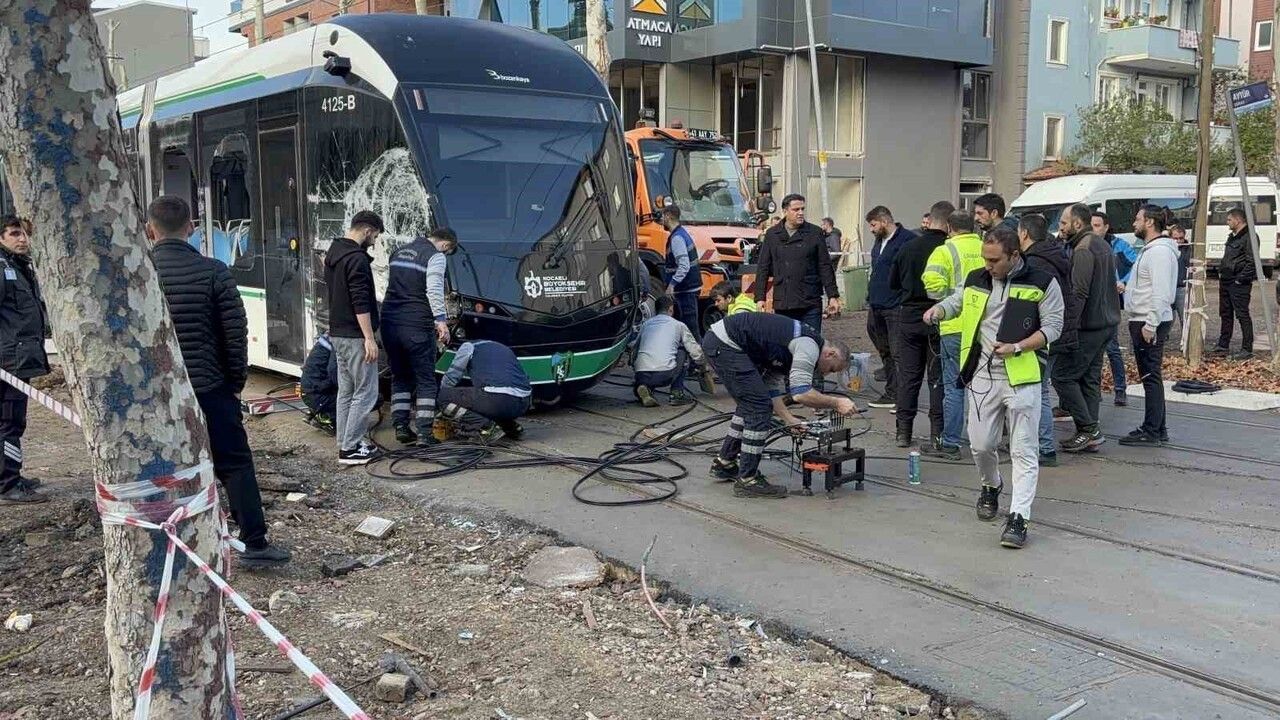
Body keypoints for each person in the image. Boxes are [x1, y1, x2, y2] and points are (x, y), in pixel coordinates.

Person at [146, 197, 289, 566]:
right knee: (235, 463)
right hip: (211, 388)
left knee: (166, 469)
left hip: (158, 395)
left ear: (149, 230)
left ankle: (171, 547)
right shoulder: (214, 271)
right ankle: (255, 543)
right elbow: (235, 333)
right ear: (191, 227)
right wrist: (234, 383)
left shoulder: (139, 275)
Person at [924, 225, 1064, 549]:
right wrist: (938, 310)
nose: (988, 265)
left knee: (1023, 450)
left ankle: (1019, 517)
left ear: (1015, 255)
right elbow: (958, 301)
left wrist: (1019, 347)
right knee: (981, 445)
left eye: (994, 260)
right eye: (986, 259)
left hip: (1023, 376)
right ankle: (991, 485)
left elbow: (1054, 327)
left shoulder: (1042, 282)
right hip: (982, 375)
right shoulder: (977, 278)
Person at [703, 312, 854, 498]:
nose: (825, 374)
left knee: (751, 403)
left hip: (723, 341)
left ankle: (725, 463)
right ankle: (747, 480)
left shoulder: (795, 348)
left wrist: (789, 419)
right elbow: (801, 393)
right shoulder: (809, 347)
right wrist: (837, 402)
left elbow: (770, 387)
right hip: (726, 344)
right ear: (830, 353)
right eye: (831, 368)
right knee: (758, 408)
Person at [1052, 204, 1119, 454]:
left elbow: (1078, 292)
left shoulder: (1083, 250)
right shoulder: (1101, 244)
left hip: (1088, 326)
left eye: (1063, 223)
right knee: (1089, 378)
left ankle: (1089, 428)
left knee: (1062, 376)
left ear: (1077, 224)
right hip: (1106, 323)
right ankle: (1089, 431)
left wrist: (1067, 327)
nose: (1060, 228)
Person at [382, 227, 456, 446]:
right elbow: (433, 289)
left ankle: (401, 427)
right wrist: (441, 320)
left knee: (400, 376)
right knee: (425, 380)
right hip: (416, 324)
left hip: (389, 322)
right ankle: (425, 433)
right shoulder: (436, 256)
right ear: (446, 245)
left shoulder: (398, 251)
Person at [921, 209, 984, 459]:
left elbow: (932, 286)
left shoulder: (944, 251)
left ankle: (950, 443)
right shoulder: (985, 248)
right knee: (983, 387)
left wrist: (949, 298)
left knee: (954, 387)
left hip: (954, 326)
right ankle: (984, 440)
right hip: (982, 327)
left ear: (949, 227)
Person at [889, 201, 950, 448]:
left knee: (909, 377)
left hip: (910, 317)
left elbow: (893, 282)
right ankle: (937, 434)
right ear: (948, 224)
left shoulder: (907, 247)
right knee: (937, 379)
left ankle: (903, 432)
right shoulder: (948, 248)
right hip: (941, 316)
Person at [1016, 213, 1074, 467]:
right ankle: (1042, 445)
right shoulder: (1056, 254)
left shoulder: (1036, 263)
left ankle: (1045, 447)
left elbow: (1030, 302)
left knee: (1037, 391)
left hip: (1042, 336)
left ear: (1024, 234)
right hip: (1059, 333)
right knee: (1040, 389)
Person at [326, 211, 384, 465]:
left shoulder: (334, 253)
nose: (375, 240)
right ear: (368, 230)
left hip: (337, 333)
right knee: (366, 391)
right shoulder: (357, 260)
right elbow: (360, 302)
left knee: (346, 391)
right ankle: (350, 449)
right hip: (355, 335)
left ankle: (345, 441)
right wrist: (369, 338)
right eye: (376, 235)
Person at [1119, 205, 1179, 447]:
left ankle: (1152, 430)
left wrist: (1151, 324)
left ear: (1150, 222)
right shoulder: (1152, 250)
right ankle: (1156, 427)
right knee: (1150, 376)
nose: (1134, 223)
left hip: (1148, 320)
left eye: (1138, 219)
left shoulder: (1159, 253)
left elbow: (1162, 291)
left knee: (1150, 376)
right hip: (1144, 318)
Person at [0, 216, 49, 505]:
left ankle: (10, 474)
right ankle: (9, 484)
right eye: (14, 234)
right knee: (9, 423)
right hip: (9, 361)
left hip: (18, 358)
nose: (22, 239)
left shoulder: (18, 268)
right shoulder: (4, 269)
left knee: (11, 422)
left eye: (24, 234)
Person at [753, 194, 840, 332]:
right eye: (796, 209)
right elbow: (763, 267)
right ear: (785, 211)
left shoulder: (815, 233)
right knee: (787, 345)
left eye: (802, 209)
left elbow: (825, 266)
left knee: (811, 342)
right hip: (784, 301)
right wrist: (760, 298)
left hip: (809, 301)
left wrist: (833, 296)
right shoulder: (772, 235)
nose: (800, 213)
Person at [864, 206, 912, 410]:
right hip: (876, 305)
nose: (872, 230)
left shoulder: (906, 241)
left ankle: (902, 397)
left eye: (873, 225)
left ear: (884, 221)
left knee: (897, 351)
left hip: (895, 306)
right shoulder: (879, 242)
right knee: (884, 350)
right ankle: (891, 391)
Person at [438, 340, 532, 444]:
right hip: (524, 402)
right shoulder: (502, 347)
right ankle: (511, 427)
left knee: (444, 397)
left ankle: (485, 427)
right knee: (484, 397)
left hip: (498, 400)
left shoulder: (469, 346)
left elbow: (452, 376)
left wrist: (443, 405)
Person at [1093, 212, 1136, 406]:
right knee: (1092, 351)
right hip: (1093, 303)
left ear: (1106, 227)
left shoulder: (1119, 246)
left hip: (1110, 304)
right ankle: (1095, 390)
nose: (1094, 229)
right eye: (1091, 225)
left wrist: (1124, 282)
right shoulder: (1086, 245)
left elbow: (1135, 266)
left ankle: (1120, 389)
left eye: (1097, 225)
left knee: (1112, 349)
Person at [633, 296, 707, 407]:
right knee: (683, 350)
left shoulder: (645, 324)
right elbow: (695, 351)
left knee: (647, 354)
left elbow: (634, 349)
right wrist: (703, 366)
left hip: (641, 374)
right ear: (671, 309)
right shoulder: (678, 325)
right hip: (664, 375)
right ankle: (676, 394)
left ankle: (644, 387)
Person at [1213, 208, 1256, 360]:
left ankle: (1247, 348)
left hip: (1238, 283)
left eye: (1229, 220)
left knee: (1242, 315)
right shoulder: (1232, 236)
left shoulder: (1249, 237)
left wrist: (1240, 279)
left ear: (1238, 220)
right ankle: (1223, 344)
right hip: (1226, 280)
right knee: (1225, 313)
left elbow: (1252, 262)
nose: (1227, 222)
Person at [662, 206, 703, 339]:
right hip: (689, 288)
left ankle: (699, 358)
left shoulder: (677, 238)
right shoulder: (681, 234)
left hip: (686, 290)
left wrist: (672, 284)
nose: (661, 220)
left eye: (663, 217)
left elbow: (684, 266)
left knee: (690, 331)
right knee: (685, 329)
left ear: (668, 216)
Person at [301, 333, 339, 433]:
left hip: (310, 391)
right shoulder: (337, 342)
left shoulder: (327, 340)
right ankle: (328, 419)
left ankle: (316, 411)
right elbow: (334, 373)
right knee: (371, 399)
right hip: (316, 395)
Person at [1169, 223, 1192, 324]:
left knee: (1184, 317)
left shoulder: (1190, 250)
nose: (1178, 241)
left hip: (1182, 288)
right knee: (1166, 318)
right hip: (1167, 288)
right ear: (1170, 237)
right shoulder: (1166, 249)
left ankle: (1185, 338)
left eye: (1180, 238)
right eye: (1175, 238)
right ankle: (1161, 338)